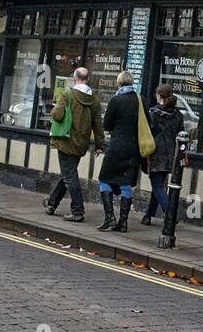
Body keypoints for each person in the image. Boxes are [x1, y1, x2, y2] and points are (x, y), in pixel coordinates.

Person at [44, 67, 104, 222]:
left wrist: (54, 109)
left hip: (66, 141)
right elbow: (98, 125)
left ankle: (78, 210)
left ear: (75, 78)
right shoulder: (95, 101)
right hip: (81, 143)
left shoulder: (67, 94)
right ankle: (52, 203)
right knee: (68, 173)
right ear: (87, 79)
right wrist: (99, 145)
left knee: (70, 175)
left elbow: (57, 115)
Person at [98, 70, 151, 232]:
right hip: (134, 149)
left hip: (117, 147)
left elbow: (106, 125)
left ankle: (109, 217)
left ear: (119, 83)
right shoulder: (140, 99)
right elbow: (147, 123)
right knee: (126, 184)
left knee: (104, 179)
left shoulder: (116, 100)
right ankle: (123, 222)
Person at [142, 84, 186, 225]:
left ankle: (171, 213)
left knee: (157, 186)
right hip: (172, 154)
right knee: (159, 184)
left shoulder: (153, 113)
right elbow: (181, 134)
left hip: (156, 153)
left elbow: (147, 133)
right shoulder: (177, 114)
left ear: (159, 96)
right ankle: (148, 216)